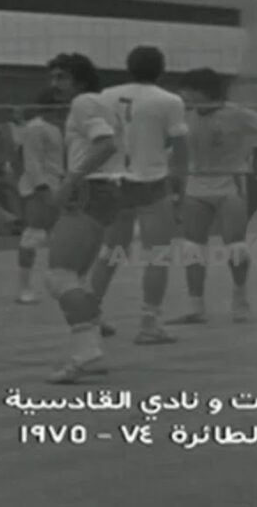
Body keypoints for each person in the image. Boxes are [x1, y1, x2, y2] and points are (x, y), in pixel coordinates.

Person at [168, 67, 257, 325]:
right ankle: (196, 306)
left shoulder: (237, 114)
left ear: (203, 91)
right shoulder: (182, 115)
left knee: (235, 245)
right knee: (192, 247)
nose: (183, 94)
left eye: (188, 90)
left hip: (230, 183)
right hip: (196, 184)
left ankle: (240, 299)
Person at [87, 46, 188, 346]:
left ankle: (90, 316)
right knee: (157, 255)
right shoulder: (169, 100)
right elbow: (181, 148)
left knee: (110, 251)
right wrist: (180, 188)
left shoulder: (105, 96)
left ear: (128, 67)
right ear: (161, 69)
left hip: (113, 180)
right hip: (150, 181)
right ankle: (150, 323)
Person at [42, 53, 127, 383]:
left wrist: (70, 181)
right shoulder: (104, 103)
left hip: (90, 190)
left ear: (80, 79)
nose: (55, 84)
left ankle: (87, 354)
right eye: (53, 77)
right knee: (75, 278)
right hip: (105, 190)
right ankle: (90, 343)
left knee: (60, 277)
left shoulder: (84, 103)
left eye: (61, 77)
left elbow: (106, 145)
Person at [15, 89, 67, 304]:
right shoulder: (35, 128)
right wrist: (42, 188)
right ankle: (24, 288)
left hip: (58, 184)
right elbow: (32, 161)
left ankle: (59, 284)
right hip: (40, 188)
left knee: (59, 237)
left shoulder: (57, 128)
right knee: (33, 235)